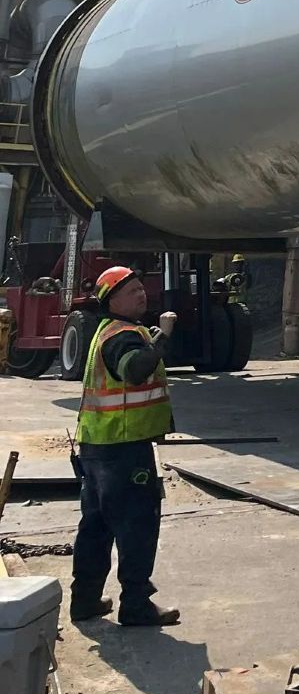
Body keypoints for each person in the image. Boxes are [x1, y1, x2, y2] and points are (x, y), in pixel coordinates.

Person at [69, 267, 180, 627]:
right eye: (131, 291)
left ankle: (84, 600)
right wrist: (162, 337)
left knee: (96, 525)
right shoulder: (124, 336)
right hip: (123, 448)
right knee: (137, 525)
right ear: (111, 300)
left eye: (140, 288)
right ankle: (136, 604)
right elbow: (134, 370)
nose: (141, 294)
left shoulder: (108, 331)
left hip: (97, 446)